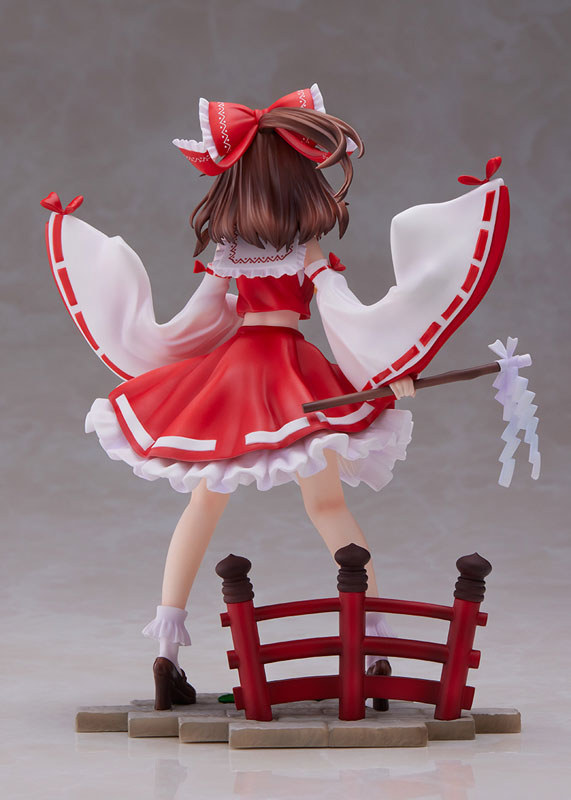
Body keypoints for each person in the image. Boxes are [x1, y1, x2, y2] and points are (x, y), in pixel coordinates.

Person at [42, 84, 509, 710]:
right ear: (301, 182)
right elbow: (346, 317)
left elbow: (193, 324)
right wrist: (390, 365)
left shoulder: (228, 252)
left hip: (234, 378)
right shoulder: (306, 251)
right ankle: (373, 644)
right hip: (292, 375)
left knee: (202, 508)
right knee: (327, 504)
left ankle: (166, 653)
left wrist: (164, 359)